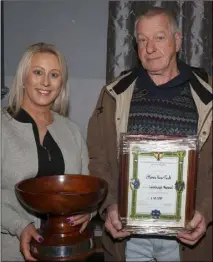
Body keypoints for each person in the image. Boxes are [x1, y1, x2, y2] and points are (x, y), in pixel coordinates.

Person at [87, 7, 212, 262]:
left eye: (159, 37)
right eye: (142, 40)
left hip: (186, 243)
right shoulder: (112, 95)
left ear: (177, 41)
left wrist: (205, 210)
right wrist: (109, 204)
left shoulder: (207, 97)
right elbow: (98, 159)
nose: (150, 48)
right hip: (129, 240)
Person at [1, 42, 94, 261]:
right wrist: (19, 226)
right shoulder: (2, 127)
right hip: (10, 250)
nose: (45, 82)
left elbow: (87, 187)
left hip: (68, 252)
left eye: (54, 74)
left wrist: (89, 212)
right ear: (24, 77)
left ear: (62, 83)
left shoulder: (72, 131)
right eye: (37, 72)